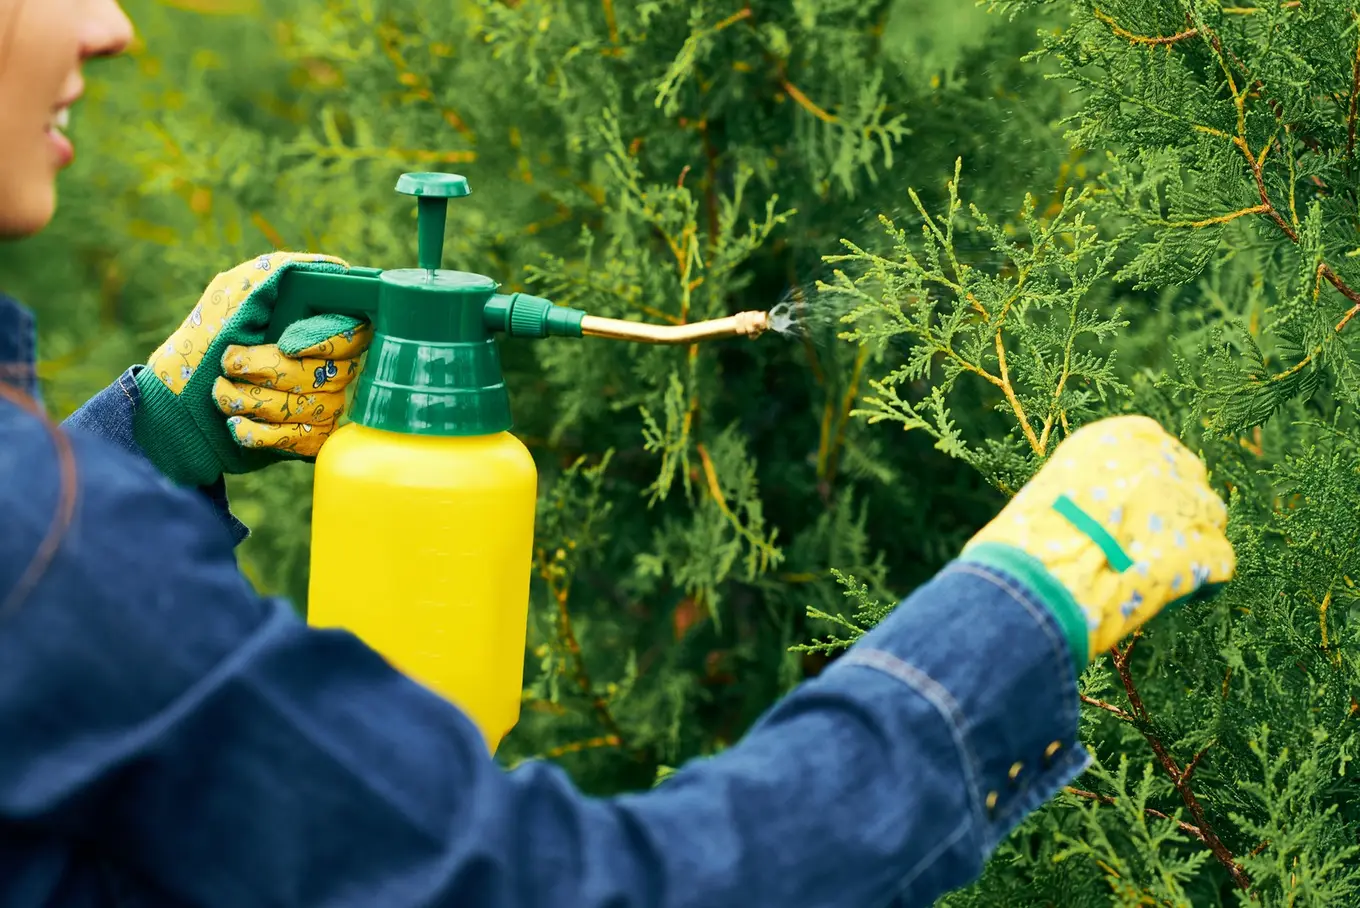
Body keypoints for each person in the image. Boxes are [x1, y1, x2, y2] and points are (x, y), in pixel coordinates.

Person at [0, 2, 1237, 906]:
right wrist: (999, 630)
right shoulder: (46, 543)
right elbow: (567, 890)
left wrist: (143, 445)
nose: (110, 24)